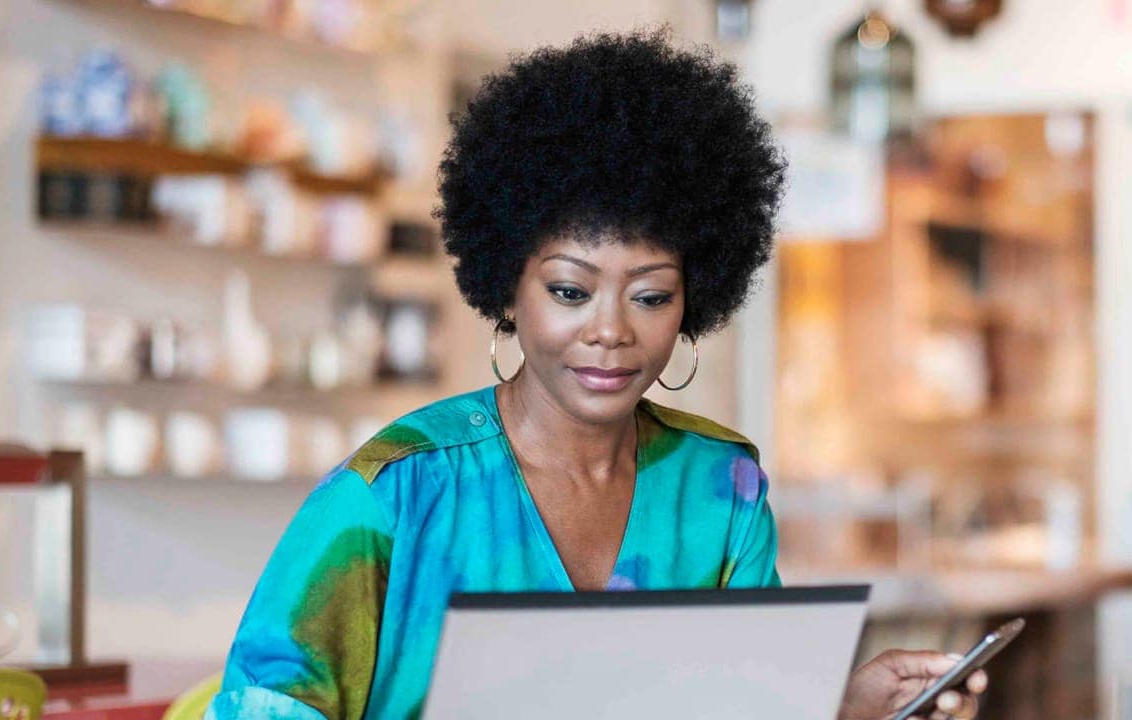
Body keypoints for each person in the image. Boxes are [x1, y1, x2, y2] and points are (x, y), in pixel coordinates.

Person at [209, 29, 986, 720]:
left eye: (650, 296)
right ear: (507, 287)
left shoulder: (721, 492)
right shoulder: (397, 491)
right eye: (570, 291)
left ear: (694, 299)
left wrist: (840, 708)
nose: (611, 331)